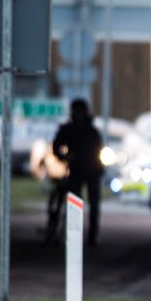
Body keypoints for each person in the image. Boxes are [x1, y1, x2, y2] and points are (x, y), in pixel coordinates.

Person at [52, 98, 105, 246]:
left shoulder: (92, 131)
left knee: (94, 204)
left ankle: (93, 236)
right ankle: (73, 234)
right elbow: (56, 147)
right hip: (76, 171)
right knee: (75, 204)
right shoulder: (69, 129)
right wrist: (65, 157)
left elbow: (99, 149)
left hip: (93, 171)